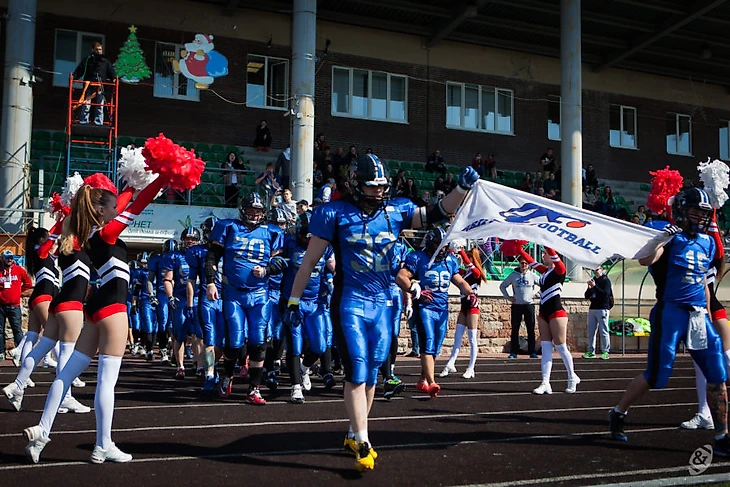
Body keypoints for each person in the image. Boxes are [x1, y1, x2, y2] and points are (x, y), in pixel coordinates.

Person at [284, 153, 478, 471]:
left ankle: (353, 432)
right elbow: (309, 263)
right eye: (373, 186)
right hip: (351, 302)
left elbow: (437, 211)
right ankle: (362, 439)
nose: (378, 192)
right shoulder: (333, 212)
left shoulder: (395, 210)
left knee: (373, 373)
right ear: (355, 184)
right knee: (358, 370)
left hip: (384, 303)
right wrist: (293, 300)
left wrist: (460, 188)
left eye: (382, 186)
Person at [23, 174, 167, 464]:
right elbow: (138, 205)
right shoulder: (106, 233)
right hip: (113, 308)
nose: (118, 211)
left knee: (66, 374)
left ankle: (42, 430)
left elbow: (127, 200)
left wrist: (133, 182)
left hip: (95, 307)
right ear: (101, 211)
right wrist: (162, 176)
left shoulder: (89, 233)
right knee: (106, 382)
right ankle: (103, 444)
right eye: (112, 208)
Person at [609, 188, 730, 457]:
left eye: (704, 213)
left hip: (698, 313)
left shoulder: (707, 242)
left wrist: (709, 314)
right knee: (657, 374)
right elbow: (645, 259)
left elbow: (704, 283)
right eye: (696, 211)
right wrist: (660, 240)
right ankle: (618, 412)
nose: (700, 217)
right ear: (681, 210)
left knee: (718, 373)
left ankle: (722, 435)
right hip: (671, 310)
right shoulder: (668, 235)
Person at [205, 193, 285, 405]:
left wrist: (267, 269)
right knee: (234, 343)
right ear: (242, 210)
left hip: (260, 294)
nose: (254, 214)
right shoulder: (229, 227)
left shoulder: (272, 232)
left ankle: (254, 389)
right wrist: (211, 282)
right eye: (250, 210)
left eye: (258, 211)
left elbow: (280, 263)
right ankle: (227, 376)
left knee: (259, 342)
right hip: (234, 293)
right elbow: (212, 256)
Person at [397, 228, 474, 397]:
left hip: (442, 309)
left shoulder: (450, 261)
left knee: (436, 348)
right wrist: (415, 290)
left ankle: (423, 379)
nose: (443, 249)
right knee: (428, 344)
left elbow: (460, 281)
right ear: (431, 243)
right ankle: (431, 383)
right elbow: (401, 276)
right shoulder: (418, 257)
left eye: (445, 246)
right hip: (425, 307)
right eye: (439, 245)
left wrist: (471, 294)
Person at [680, 209, 730, 431]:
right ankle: (704, 413)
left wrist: (713, 211)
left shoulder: (707, 250)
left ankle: (705, 413)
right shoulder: (697, 249)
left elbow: (716, 246)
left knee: (726, 359)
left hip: (711, 313)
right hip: (702, 313)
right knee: (701, 365)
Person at [281, 214, 336, 403]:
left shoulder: (324, 246)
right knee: (295, 346)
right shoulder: (289, 244)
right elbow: (274, 260)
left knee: (320, 346)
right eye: (306, 236)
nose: (309, 240)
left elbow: (333, 267)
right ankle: (295, 387)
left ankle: (304, 368)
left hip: (315, 303)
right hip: (293, 301)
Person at [517, 245, 579, 395]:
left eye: (545, 253)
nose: (543, 256)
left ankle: (572, 377)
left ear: (553, 255)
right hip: (543, 312)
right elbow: (531, 261)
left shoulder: (560, 270)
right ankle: (545, 382)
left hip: (557, 312)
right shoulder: (545, 272)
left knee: (561, 347)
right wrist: (519, 249)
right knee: (545, 349)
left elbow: (554, 257)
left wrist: (546, 241)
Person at [440, 244, 486, 378]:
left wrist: (461, 251)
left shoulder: (476, 273)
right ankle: (451, 363)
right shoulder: (464, 273)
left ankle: (471, 368)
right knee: (457, 338)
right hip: (463, 307)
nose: (467, 261)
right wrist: (450, 251)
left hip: (472, 307)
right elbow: (452, 269)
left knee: (472, 339)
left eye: (470, 258)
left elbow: (471, 266)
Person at [164, 226, 203, 380]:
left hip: (199, 298)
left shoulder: (202, 254)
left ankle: (199, 364)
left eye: (193, 238)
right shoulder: (175, 256)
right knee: (179, 333)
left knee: (198, 333)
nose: (190, 241)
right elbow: (168, 279)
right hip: (180, 298)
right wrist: (170, 296)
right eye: (187, 238)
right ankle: (180, 366)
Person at [500, 255, 539, 359]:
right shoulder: (513, 275)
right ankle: (514, 352)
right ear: (519, 263)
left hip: (529, 305)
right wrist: (508, 297)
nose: (524, 265)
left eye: (526, 263)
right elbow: (502, 286)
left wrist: (537, 295)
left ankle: (532, 351)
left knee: (530, 329)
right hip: (517, 305)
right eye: (522, 263)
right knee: (515, 329)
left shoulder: (532, 275)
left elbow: (543, 284)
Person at [73, 42, 116, 125]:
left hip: (100, 87)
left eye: (100, 49)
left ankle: (98, 122)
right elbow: (80, 70)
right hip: (89, 86)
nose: (98, 51)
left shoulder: (105, 62)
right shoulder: (88, 60)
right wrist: (74, 77)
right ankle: (83, 121)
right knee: (86, 105)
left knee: (100, 106)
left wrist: (114, 78)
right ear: (92, 50)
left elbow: (111, 72)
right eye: (97, 49)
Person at [0, 249, 33, 361]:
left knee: (17, 329)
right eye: (7, 258)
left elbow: (28, 283)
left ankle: (20, 351)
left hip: (14, 305)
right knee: (0, 330)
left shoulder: (18, 270)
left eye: (11, 258)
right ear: (2, 258)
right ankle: (1, 352)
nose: (10, 260)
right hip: (1, 305)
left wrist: (19, 293)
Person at [583, 266, 612, 360]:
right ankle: (591, 351)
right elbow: (587, 296)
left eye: (597, 269)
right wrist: (589, 288)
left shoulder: (605, 280)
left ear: (602, 269)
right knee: (591, 331)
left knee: (604, 330)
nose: (595, 271)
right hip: (593, 308)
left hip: (602, 308)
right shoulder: (593, 280)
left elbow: (605, 294)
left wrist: (595, 286)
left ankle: (605, 351)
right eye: (594, 269)